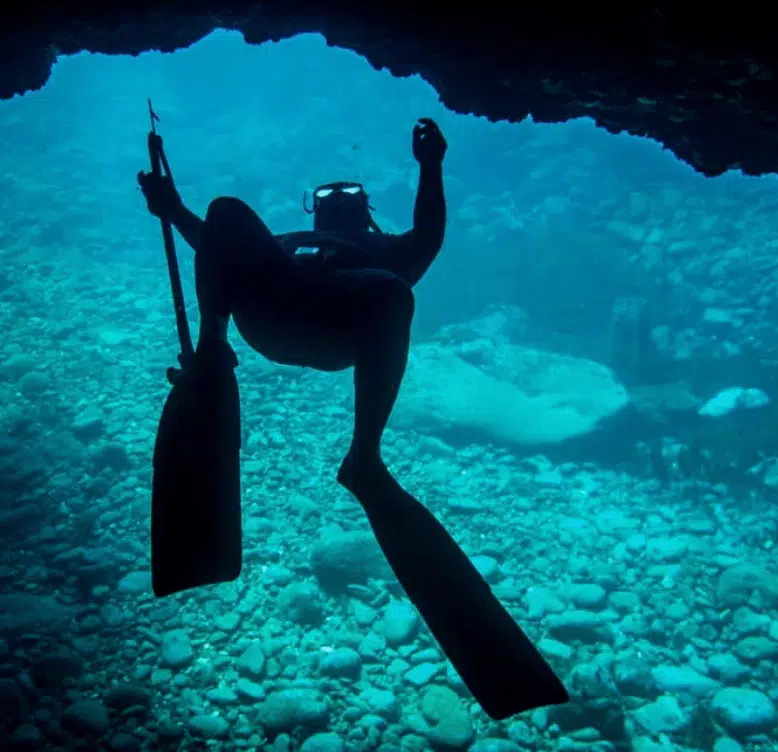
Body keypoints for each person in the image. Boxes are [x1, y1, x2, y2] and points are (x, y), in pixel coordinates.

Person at [138, 119, 567, 720]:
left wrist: (431, 164)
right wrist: (173, 207)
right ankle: (211, 355)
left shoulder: (387, 252)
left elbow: (431, 232)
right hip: (275, 307)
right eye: (328, 200)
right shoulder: (285, 239)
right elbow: (215, 241)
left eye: (348, 200)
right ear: (313, 212)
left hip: (341, 320)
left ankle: (364, 455)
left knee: (393, 291)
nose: (337, 206)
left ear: (366, 211)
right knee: (227, 211)